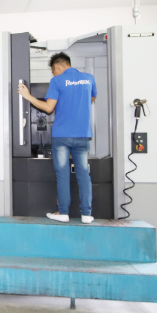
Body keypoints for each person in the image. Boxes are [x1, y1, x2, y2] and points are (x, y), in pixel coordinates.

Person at [18, 52, 97, 224]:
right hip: (83, 135)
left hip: (62, 136)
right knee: (84, 174)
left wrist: (28, 96)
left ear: (57, 67)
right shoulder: (88, 78)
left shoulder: (57, 81)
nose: (54, 74)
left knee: (62, 174)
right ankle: (86, 214)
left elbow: (48, 108)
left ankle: (63, 213)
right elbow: (92, 98)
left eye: (53, 71)